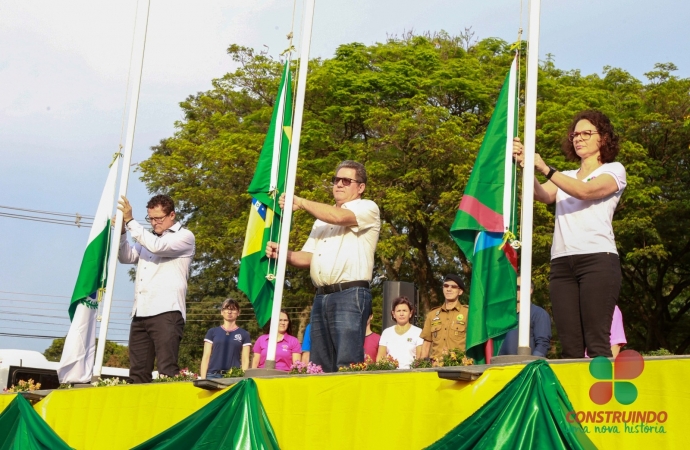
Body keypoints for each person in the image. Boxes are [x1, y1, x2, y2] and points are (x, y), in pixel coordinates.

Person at [513, 110, 626, 358]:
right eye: (575, 134)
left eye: (587, 133)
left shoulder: (614, 170)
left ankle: (600, 393)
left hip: (597, 260)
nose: (579, 138)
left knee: (597, 342)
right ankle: (573, 396)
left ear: (604, 139)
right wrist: (525, 165)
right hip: (562, 263)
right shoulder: (567, 175)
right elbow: (541, 195)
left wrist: (545, 168)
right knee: (570, 345)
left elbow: (585, 192)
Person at [266, 160, 381, 372]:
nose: (339, 184)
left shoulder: (367, 207)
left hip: (350, 294)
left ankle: (347, 405)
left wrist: (300, 201)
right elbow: (308, 257)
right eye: (336, 180)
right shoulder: (321, 220)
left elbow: (338, 217)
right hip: (321, 296)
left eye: (346, 181)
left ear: (361, 187)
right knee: (320, 365)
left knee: (347, 363)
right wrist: (283, 254)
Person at [117, 194, 195, 383]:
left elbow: (158, 247)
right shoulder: (148, 238)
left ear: (172, 215)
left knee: (167, 370)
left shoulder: (184, 236)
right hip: (141, 312)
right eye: (150, 218)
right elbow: (125, 256)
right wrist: (121, 232)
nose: (154, 223)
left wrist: (130, 221)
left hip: (167, 311)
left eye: (158, 218)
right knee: (137, 374)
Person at [498, 277, 552, 358]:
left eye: (518, 288)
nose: (515, 291)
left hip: (525, 367)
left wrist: (531, 365)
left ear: (530, 290)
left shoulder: (539, 314)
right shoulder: (504, 315)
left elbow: (542, 344)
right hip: (500, 367)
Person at [420, 274, 469, 360]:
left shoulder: (467, 313)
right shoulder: (432, 314)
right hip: (436, 366)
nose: (449, 289)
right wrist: (421, 366)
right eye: (446, 286)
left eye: (453, 287)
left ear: (460, 291)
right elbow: (426, 343)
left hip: (459, 366)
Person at [199, 299, 251, 379]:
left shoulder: (244, 334)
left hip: (233, 376)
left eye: (233, 309)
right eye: (226, 309)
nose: (229, 312)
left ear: (238, 312)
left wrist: (242, 378)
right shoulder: (212, 332)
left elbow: (245, 359)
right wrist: (203, 378)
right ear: (221, 312)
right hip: (213, 375)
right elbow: (206, 356)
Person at [377, 297, 423, 369]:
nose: (401, 314)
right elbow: (380, 358)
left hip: (411, 375)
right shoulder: (386, 333)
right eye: (398, 311)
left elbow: (420, 358)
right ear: (393, 314)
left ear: (410, 313)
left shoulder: (418, 332)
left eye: (404, 310)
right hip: (390, 375)